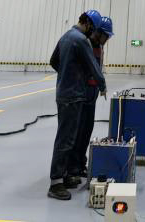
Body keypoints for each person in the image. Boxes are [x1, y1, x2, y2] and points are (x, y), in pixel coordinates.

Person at [47, 10, 107, 200]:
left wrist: (68, 73)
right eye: (93, 29)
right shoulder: (81, 40)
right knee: (66, 140)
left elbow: (53, 61)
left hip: (64, 93)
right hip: (73, 96)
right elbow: (93, 66)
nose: (93, 33)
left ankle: (64, 175)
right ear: (88, 24)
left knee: (67, 137)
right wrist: (102, 85)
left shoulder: (66, 36)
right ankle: (56, 183)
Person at [67, 15, 113, 184]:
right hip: (82, 91)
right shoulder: (84, 43)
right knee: (77, 132)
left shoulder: (99, 46)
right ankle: (71, 168)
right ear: (98, 32)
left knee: (86, 130)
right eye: (106, 36)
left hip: (92, 92)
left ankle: (80, 164)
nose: (107, 40)